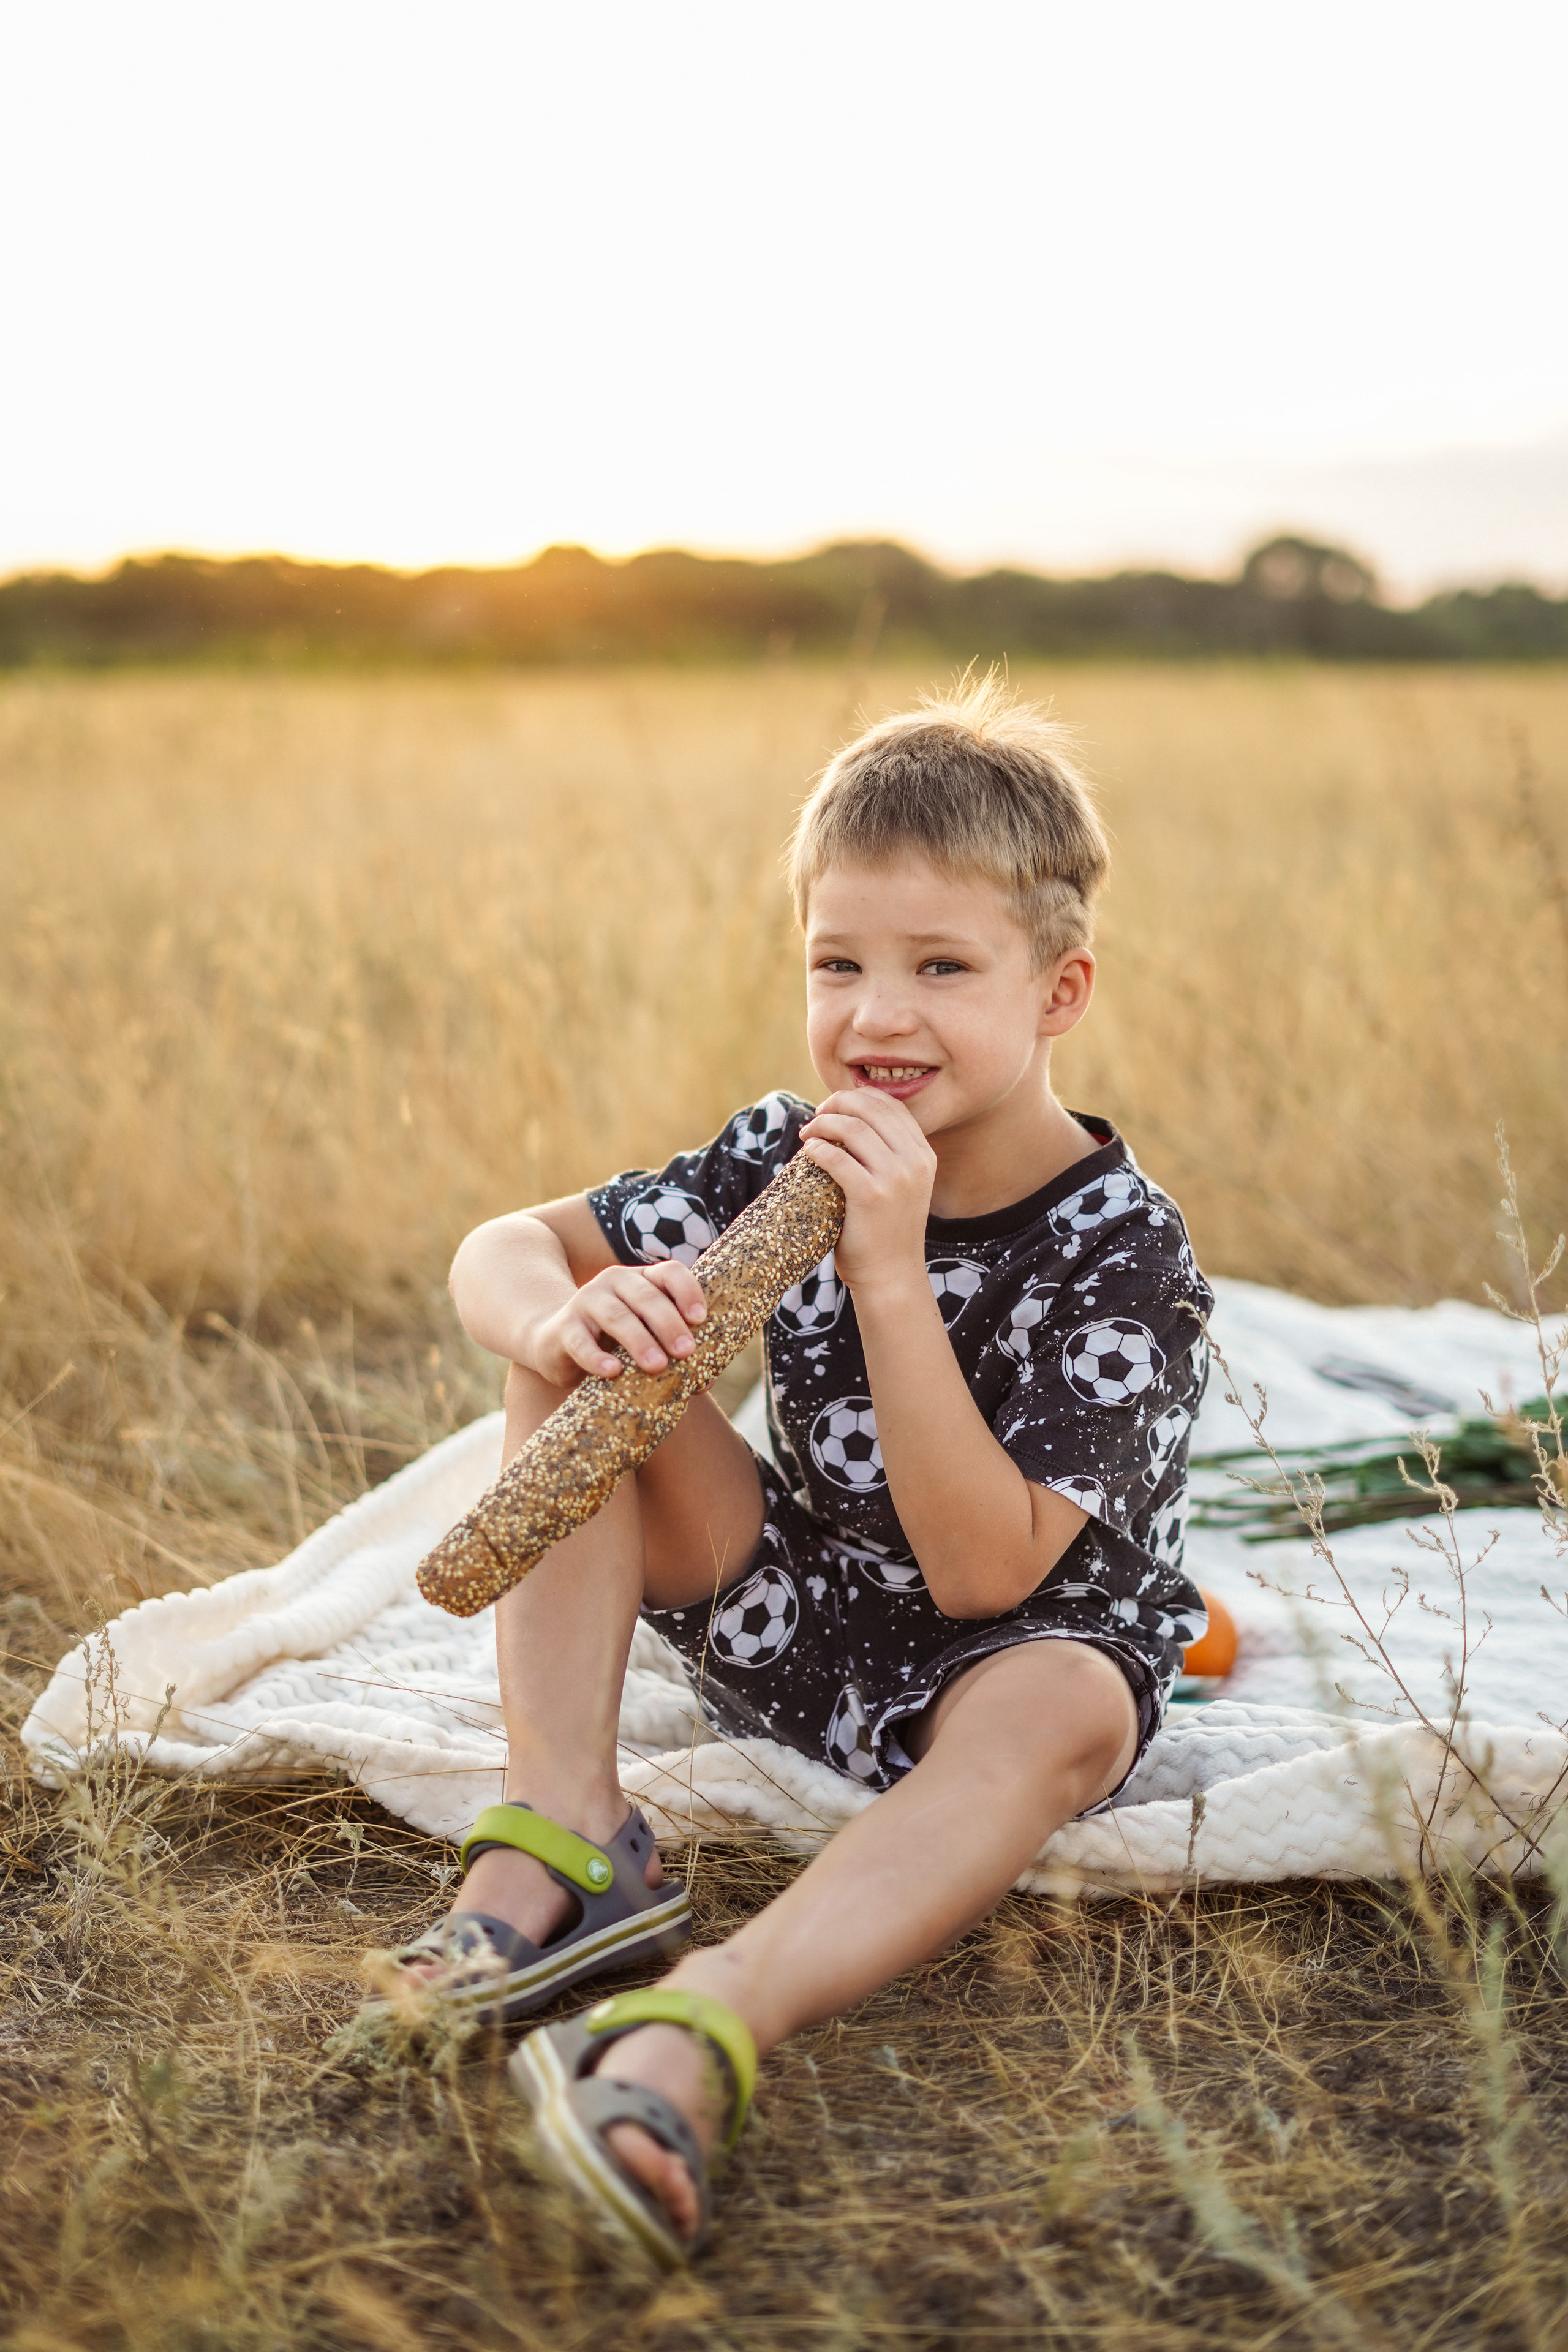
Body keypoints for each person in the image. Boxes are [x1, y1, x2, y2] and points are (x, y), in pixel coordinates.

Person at [391, 676, 1212, 2266]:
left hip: (1011, 1654)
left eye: (941, 967)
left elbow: (986, 1574)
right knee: (590, 1357)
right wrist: (563, 1309)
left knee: (1071, 1703)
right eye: (839, 964)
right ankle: (571, 1833)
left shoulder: (1128, 1252)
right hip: (799, 1625)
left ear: (1061, 989)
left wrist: (894, 1275)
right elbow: (499, 1248)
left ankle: (702, 2019)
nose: (877, 1017)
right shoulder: (789, 1144)